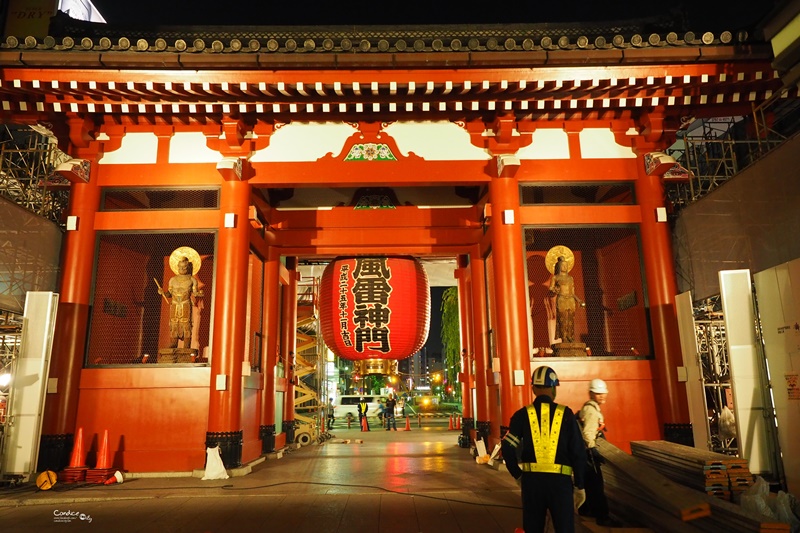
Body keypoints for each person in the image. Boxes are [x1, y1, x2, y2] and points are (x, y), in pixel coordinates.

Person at [501, 366, 586, 533]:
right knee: (564, 528)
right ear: (553, 388)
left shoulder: (522, 415)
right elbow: (578, 452)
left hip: (532, 483)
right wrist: (580, 485)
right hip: (560, 484)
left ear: (533, 388)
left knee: (533, 528)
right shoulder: (566, 414)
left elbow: (507, 447)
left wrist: (518, 475)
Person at [577, 379, 622, 528]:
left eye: (603, 393)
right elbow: (588, 433)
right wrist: (592, 449)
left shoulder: (590, 407)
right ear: (591, 393)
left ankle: (586, 508)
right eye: (598, 393)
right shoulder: (591, 410)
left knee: (590, 484)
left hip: (584, 454)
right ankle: (602, 517)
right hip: (588, 453)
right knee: (597, 486)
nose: (602, 395)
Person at [157, 255, 202, 349]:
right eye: (180, 267)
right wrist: (163, 293)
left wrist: (200, 293)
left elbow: (195, 293)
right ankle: (173, 343)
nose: (181, 269)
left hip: (185, 304)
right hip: (174, 305)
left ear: (188, 267)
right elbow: (169, 294)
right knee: (173, 324)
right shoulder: (172, 280)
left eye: (184, 267)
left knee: (186, 324)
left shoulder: (192, 280)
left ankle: (186, 346)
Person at [547, 255, 584, 344]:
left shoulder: (570, 278)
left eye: (566, 265)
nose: (565, 267)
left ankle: (570, 337)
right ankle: (564, 338)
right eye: (563, 265)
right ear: (559, 266)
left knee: (570, 319)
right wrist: (555, 289)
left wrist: (578, 300)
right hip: (561, 299)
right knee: (563, 318)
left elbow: (572, 292)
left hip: (570, 299)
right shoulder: (555, 277)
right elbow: (551, 289)